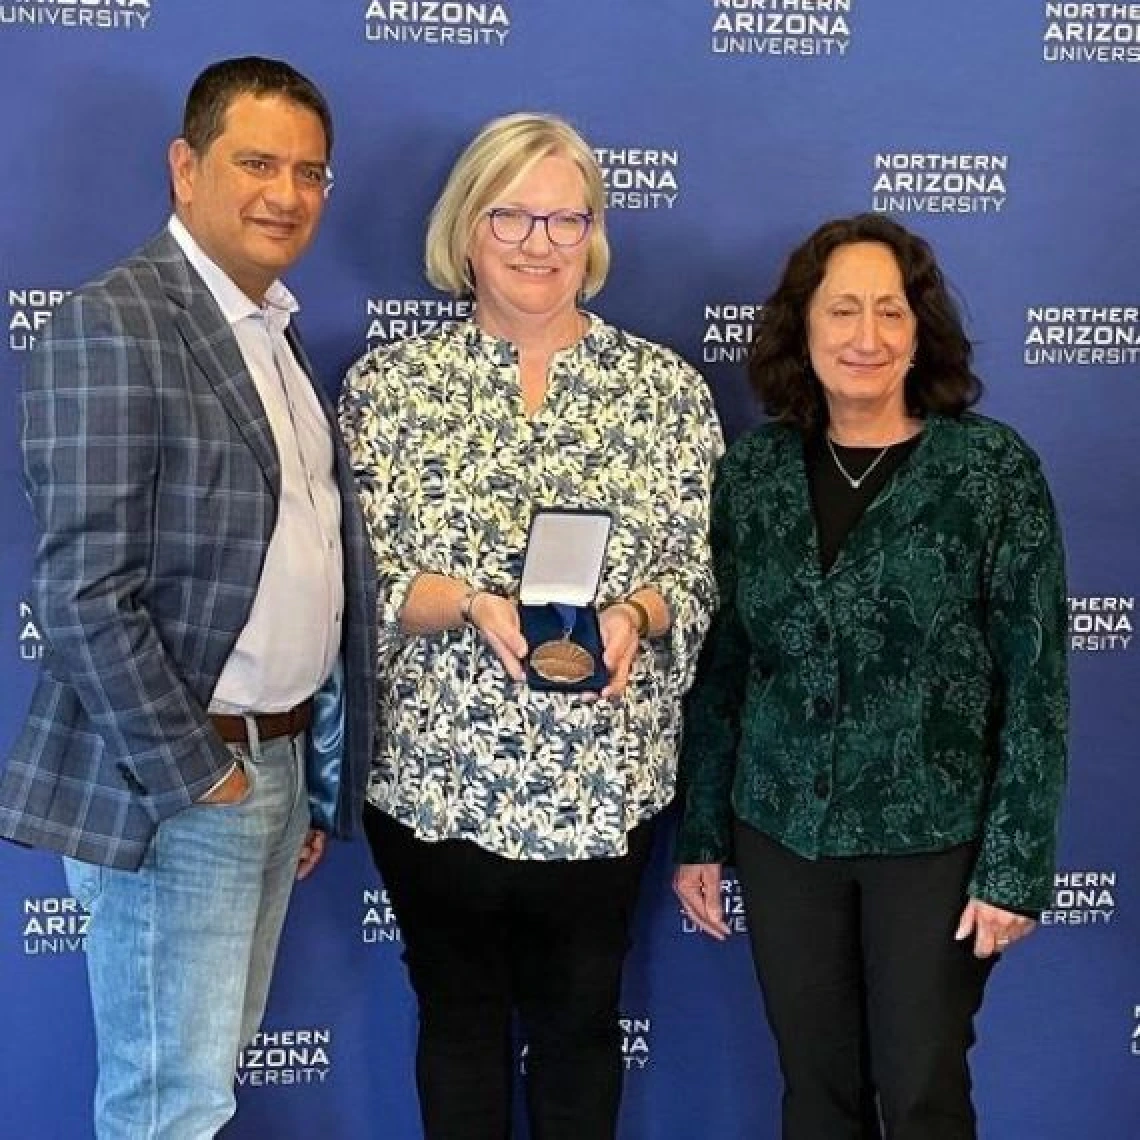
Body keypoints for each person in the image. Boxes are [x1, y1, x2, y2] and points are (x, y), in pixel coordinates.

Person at [0, 57, 376, 1139]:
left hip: (271, 762)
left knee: (196, 1092)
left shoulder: (273, 330)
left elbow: (300, 569)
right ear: (184, 166)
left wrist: (301, 767)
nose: (286, 194)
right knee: (168, 1105)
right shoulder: (115, 322)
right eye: (257, 162)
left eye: (310, 172)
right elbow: (81, 590)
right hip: (179, 778)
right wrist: (196, 773)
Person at [339, 112, 722, 1139]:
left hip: (606, 783)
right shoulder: (388, 389)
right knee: (458, 1026)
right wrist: (466, 603)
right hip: (434, 777)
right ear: (467, 227)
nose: (538, 242)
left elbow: (699, 569)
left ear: (592, 232)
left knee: (579, 1029)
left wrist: (642, 612)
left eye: (564, 218)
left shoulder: (667, 392)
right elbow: (349, 579)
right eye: (511, 214)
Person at [673, 213, 1068, 1140]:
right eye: (842, 309)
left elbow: (1038, 681)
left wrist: (1014, 868)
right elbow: (725, 662)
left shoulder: (990, 471)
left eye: (890, 312)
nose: (866, 337)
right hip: (782, 834)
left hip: (932, 839)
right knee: (815, 1093)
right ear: (801, 328)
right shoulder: (757, 471)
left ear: (920, 328)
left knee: (922, 1090)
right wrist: (702, 832)